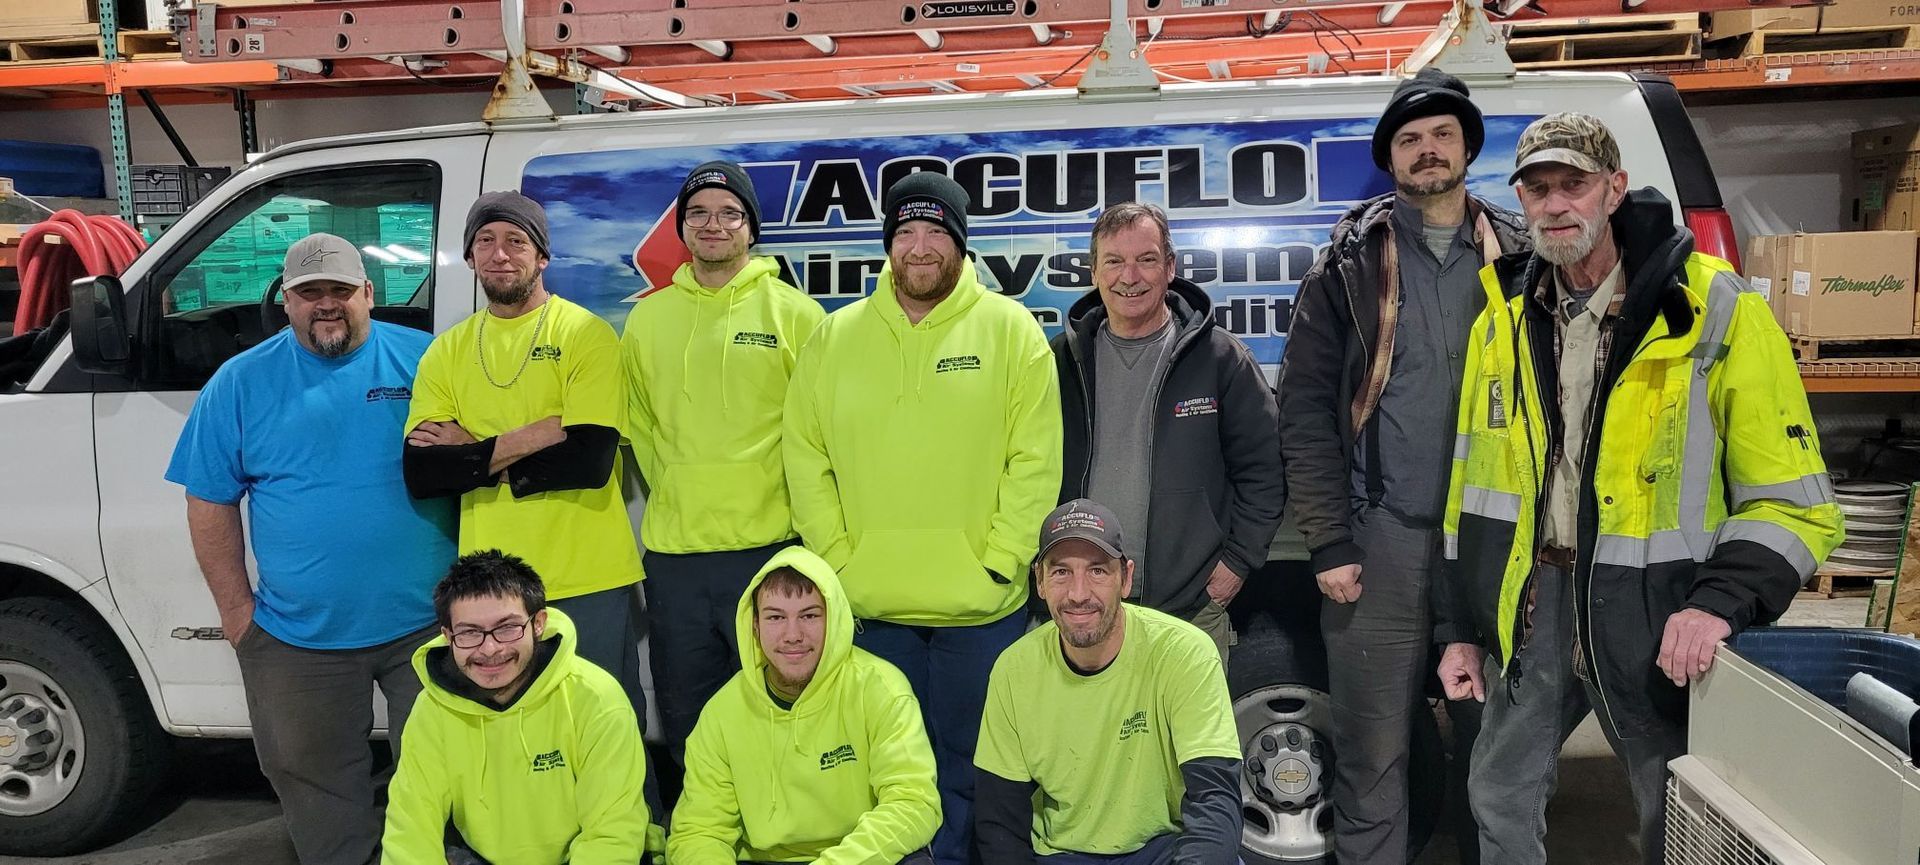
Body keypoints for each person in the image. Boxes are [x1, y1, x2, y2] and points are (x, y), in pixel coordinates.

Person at [1435, 112, 1844, 865]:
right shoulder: (1504, 317)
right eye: (1538, 189)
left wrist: (1717, 603)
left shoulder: (1713, 309)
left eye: (1574, 185)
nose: (1556, 205)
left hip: (1655, 606)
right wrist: (1459, 622)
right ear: (1519, 201)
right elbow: (1474, 484)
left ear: (1614, 189)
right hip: (1541, 599)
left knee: (1676, 803)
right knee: (1497, 788)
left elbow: (1797, 501)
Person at [1276, 67, 1528, 864]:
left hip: (1496, 546)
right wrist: (1329, 540)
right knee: (1372, 754)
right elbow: (1306, 409)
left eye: (1442, 135)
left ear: (1467, 149)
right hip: (1381, 539)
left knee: (1505, 758)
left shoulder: (1522, 260)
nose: (1427, 151)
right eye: (1409, 140)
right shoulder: (1349, 265)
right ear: (1391, 159)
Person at [784, 170, 1063, 865]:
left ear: (962, 244)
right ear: (888, 244)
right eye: (905, 231)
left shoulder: (1012, 330)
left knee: (977, 768)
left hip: (980, 606)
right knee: (883, 771)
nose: (919, 245)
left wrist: (1001, 559)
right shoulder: (834, 336)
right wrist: (838, 562)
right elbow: (805, 454)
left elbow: (1034, 461)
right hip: (871, 605)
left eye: (936, 230)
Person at [167, 233, 456, 865]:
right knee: (319, 795)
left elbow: (477, 463)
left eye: (340, 291)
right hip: (297, 639)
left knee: (447, 787)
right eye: (308, 293)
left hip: (431, 629)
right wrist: (238, 616)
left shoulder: (429, 361)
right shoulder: (239, 383)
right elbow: (209, 499)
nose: (326, 305)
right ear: (287, 301)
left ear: (369, 295)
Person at [401, 191, 646, 722]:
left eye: (516, 241)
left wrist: (475, 453)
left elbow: (588, 461)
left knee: (608, 725)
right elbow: (424, 473)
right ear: (469, 258)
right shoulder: (447, 351)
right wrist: (540, 431)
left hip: (588, 577)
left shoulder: (586, 335)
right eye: (485, 241)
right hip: (491, 590)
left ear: (542, 256)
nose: (500, 254)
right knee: (515, 734)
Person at [621, 161, 826, 768]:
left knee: (781, 714)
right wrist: (686, 491)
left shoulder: (796, 315)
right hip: (676, 560)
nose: (714, 225)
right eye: (699, 213)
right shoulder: (647, 319)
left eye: (729, 213)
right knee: (688, 720)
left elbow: (816, 437)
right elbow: (643, 430)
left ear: (751, 227)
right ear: (682, 228)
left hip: (767, 553)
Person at [1053, 202, 1285, 664]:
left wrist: (1237, 563)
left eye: (1146, 259)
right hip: (1084, 608)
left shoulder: (1220, 359)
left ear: (1170, 268)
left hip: (1190, 607)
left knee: (1191, 739)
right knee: (1089, 738)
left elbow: (1266, 470)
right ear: (1094, 271)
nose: (1130, 276)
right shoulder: (1062, 362)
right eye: (1114, 261)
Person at [975, 499, 1241, 865]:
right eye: (1061, 572)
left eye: (1098, 571)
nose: (1078, 593)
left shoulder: (1186, 653)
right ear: (1039, 581)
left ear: (1126, 578)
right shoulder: (1013, 670)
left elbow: (1215, 799)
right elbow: (999, 823)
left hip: (1163, 849)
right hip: (1063, 854)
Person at [668, 546, 940, 865]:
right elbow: (700, 833)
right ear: (754, 626)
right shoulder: (722, 712)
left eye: (809, 616)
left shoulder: (881, 689)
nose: (793, 635)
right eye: (775, 617)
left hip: (860, 855)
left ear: (834, 619)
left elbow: (913, 803)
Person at [381, 550, 651, 865]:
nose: (490, 648)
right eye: (469, 632)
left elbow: (612, 834)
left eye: (507, 628)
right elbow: (410, 832)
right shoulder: (431, 708)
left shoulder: (597, 699)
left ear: (538, 623)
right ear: (447, 636)